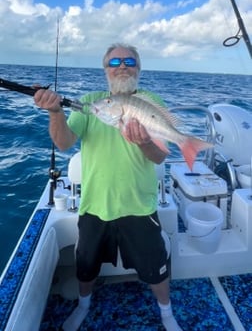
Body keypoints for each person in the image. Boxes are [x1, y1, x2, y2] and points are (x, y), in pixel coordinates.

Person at [34, 43, 182, 331]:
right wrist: (55, 112)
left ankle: (166, 314)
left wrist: (146, 141)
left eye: (130, 61)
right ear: (105, 70)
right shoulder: (92, 102)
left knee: (155, 269)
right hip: (94, 205)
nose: (123, 65)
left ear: (138, 68)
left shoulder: (150, 100)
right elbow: (64, 143)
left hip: (139, 205)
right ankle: (84, 305)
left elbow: (161, 156)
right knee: (86, 265)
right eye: (115, 62)